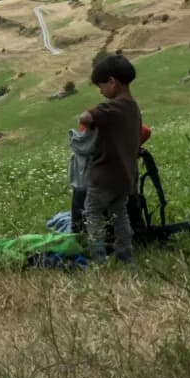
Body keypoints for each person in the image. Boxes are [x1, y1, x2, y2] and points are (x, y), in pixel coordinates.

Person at [79, 54, 142, 263]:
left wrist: (89, 120)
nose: (100, 91)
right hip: (125, 177)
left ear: (112, 82)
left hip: (103, 176)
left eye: (101, 85)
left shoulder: (112, 107)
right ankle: (125, 255)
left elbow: (85, 117)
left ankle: (98, 257)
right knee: (119, 214)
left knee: (93, 213)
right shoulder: (133, 107)